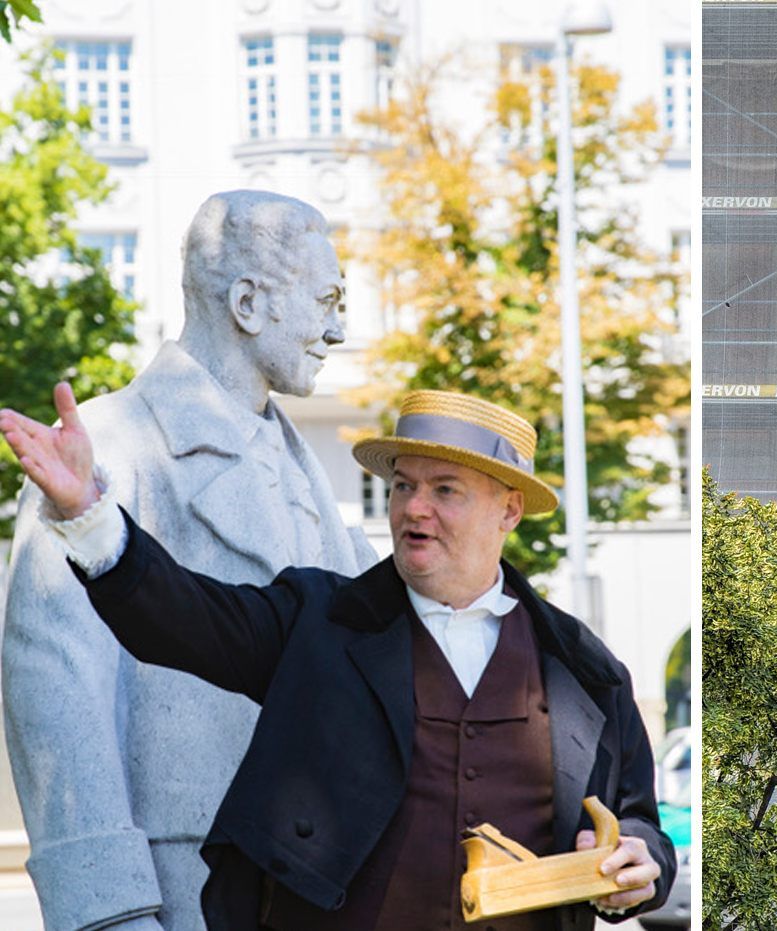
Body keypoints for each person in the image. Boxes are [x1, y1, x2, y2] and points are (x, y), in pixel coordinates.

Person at [0, 385, 675, 930]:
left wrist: (636, 866)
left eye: (445, 489)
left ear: (508, 509)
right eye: (403, 485)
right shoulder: (319, 620)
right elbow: (185, 617)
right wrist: (89, 513)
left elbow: (636, 814)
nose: (414, 507)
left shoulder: (582, 667)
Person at [2, 191, 377, 931]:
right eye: (327, 298)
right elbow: (55, 687)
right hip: (181, 883)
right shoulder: (109, 444)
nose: (338, 328)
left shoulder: (302, 469)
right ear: (248, 302)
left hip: (315, 884)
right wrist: (110, 912)